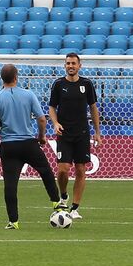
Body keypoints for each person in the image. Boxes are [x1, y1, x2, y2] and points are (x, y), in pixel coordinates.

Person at [0, 63, 64, 229]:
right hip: (27, 143)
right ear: (16, 77)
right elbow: (41, 119)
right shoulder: (28, 95)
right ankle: (56, 202)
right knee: (45, 170)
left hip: (8, 146)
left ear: (2, 79)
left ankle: (13, 221)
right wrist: (41, 137)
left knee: (10, 184)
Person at [48, 53, 102, 219]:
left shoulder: (87, 84)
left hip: (82, 133)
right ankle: (63, 196)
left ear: (80, 66)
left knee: (80, 169)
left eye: (73, 63)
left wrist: (97, 133)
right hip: (64, 133)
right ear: (65, 66)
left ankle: (75, 208)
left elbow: (93, 108)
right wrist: (55, 123)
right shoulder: (58, 84)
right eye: (68, 63)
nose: (70, 66)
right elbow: (51, 108)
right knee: (63, 170)